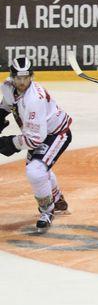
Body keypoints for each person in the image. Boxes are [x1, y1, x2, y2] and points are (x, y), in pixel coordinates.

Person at [0, 57, 72, 233]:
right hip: (38, 132)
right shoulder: (8, 86)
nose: (22, 82)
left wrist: (7, 143)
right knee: (39, 167)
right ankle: (56, 197)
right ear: (12, 77)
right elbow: (8, 105)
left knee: (35, 171)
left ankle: (47, 211)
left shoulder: (34, 100)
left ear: (32, 77)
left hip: (56, 134)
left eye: (26, 78)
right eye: (18, 78)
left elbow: (34, 140)